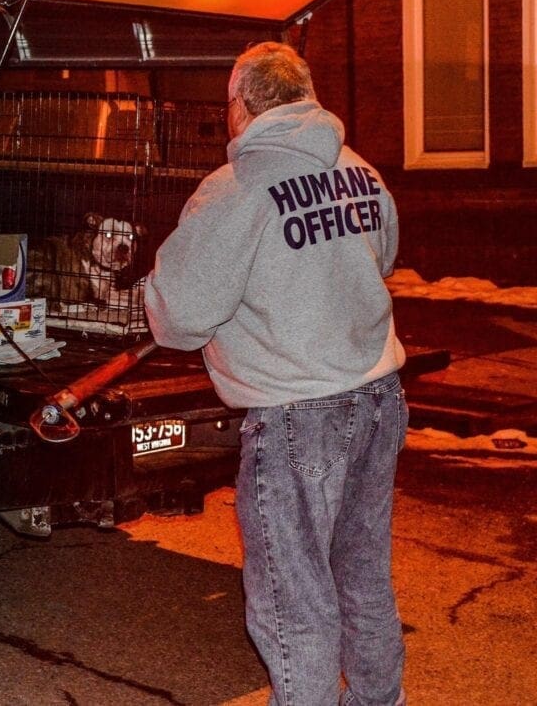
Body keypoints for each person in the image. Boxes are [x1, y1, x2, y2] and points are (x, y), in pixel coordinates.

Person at [145, 42, 408, 706]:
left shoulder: (234, 192)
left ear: (241, 103)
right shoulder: (360, 172)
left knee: (293, 596)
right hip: (379, 398)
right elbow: (384, 255)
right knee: (361, 570)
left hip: (298, 416)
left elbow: (178, 317)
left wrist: (152, 288)